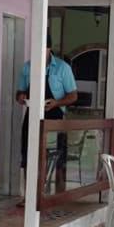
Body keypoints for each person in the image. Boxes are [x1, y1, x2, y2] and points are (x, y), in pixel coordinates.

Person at [17, 34, 77, 201]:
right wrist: (21, 97)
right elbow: (19, 92)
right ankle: (30, 197)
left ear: (49, 49)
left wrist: (57, 103)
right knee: (29, 155)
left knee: (55, 158)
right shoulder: (27, 67)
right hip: (32, 116)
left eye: (42, 48)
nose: (38, 52)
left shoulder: (63, 68)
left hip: (55, 117)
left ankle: (55, 197)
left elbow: (73, 96)